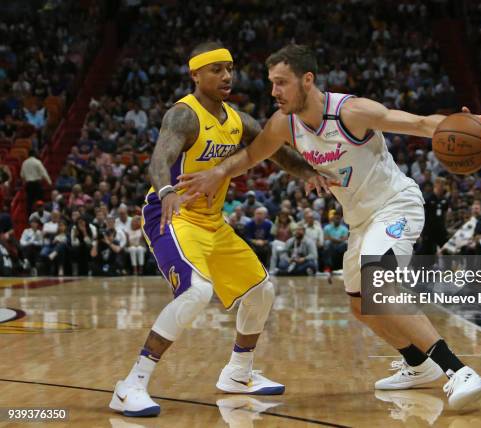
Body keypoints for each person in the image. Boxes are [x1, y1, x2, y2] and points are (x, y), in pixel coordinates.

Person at [177, 44, 481, 410]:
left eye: (281, 83)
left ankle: (458, 371)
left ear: (307, 80)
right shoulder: (284, 124)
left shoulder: (352, 111)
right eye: (271, 83)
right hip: (359, 222)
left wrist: (467, 123)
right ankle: (418, 365)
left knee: (380, 282)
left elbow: (419, 123)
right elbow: (252, 154)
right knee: (361, 307)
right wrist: (217, 172)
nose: (274, 91)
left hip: (395, 205)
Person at [109, 42, 326, 417]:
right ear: (195, 75)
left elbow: (274, 149)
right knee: (196, 293)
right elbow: (159, 159)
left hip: (211, 223)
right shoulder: (183, 115)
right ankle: (131, 385)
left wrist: (308, 173)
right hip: (171, 216)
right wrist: (165, 191)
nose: (227, 76)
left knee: (261, 292)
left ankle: (238, 374)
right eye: (216, 70)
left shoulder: (237, 120)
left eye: (230, 68)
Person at [20, 150, 52, 214]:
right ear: (34, 154)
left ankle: (29, 215)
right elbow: (44, 173)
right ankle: (40, 214)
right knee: (39, 200)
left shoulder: (24, 163)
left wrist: (24, 183)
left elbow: (22, 175)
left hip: (28, 184)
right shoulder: (37, 162)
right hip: (36, 184)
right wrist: (49, 182)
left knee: (29, 201)